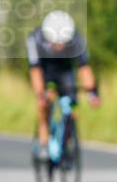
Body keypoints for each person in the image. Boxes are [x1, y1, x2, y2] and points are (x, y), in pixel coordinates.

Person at [26, 10, 101, 159]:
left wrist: (92, 93)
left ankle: (67, 140)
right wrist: (41, 94)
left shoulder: (77, 39)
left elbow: (84, 68)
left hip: (65, 71)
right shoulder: (35, 38)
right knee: (43, 104)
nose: (60, 46)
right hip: (45, 71)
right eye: (56, 43)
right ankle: (43, 141)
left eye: (63, 43)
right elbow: (35, 70)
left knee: (72, 106)